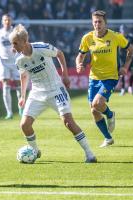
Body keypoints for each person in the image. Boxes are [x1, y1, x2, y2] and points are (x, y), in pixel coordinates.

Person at [9, 24, 97, 163]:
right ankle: (35, 151)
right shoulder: (19, 60)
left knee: (68, 122)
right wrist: (23, 97)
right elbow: (24, 76)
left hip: (55, 89)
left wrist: (65, 75)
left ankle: (89, 154)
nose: (13, 47)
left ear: (24, 41)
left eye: (15, 43)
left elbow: (60, 54)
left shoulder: (42, 48)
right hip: (37, 92)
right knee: (24, 125)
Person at [75, 10, 133, 147]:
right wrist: (78, 64)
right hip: (94, 78)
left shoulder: (115, 36)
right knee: (94, 111)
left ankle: (110, 114)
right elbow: (80, 55)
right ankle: (108, 138)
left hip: (111, 77)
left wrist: (125, 66)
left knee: (97, 103)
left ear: (105, 23)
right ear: (92, 22)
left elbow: (131, 49)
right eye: (95, 21)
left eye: (100, 21)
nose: (97, 24)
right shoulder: (87, 38)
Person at [0, 14, 22, 119]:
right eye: (5, 20)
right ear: (2, 21)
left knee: (18, 84)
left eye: (8, 20)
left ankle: (21, 108)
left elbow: (22, 44)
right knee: (5, 85)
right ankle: (9, 112)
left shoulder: (15, 31)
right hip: (3, 61)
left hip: (15, 61)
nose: (7, 22)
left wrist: (16, 47)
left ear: (11, 21)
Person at [118, 24, 133, 95]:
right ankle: (123, 89)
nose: (123, 31)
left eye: (124, 29)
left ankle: (130, 87)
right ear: (120, 30)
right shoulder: (118, 38)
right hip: (122, 59)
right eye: (122, 29)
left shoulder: (130, 37)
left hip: (130, 58)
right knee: (122, 74)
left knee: (132, 72)